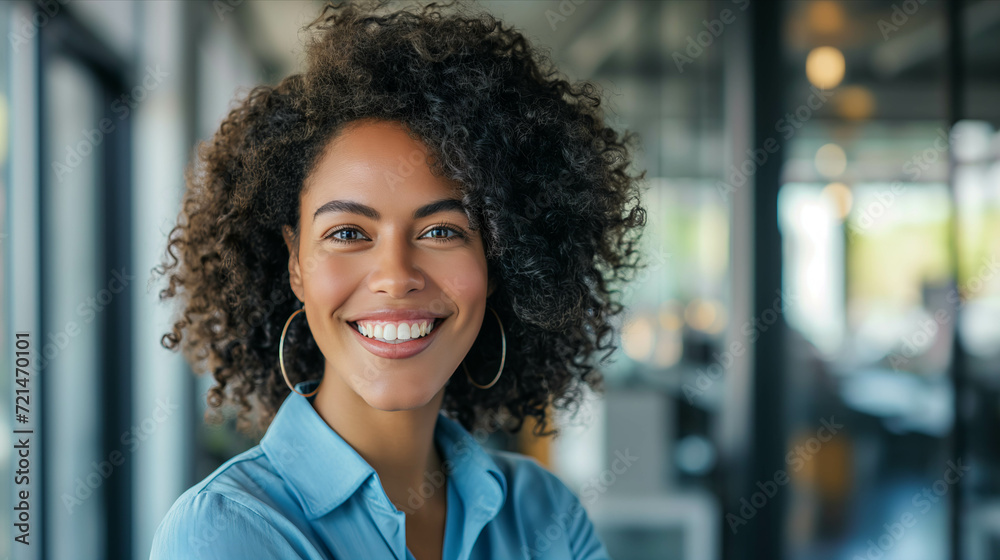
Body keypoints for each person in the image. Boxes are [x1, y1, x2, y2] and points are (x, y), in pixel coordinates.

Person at [149, 1, 647, 558]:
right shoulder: (228, 530)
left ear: (502, 258)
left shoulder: (542, 513)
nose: (395, 277)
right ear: (295, 264)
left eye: (440, 231)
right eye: (347, 233)